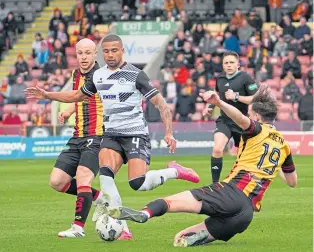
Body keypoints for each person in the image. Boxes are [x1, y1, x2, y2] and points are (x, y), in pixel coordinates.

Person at [24, 36, 200, 235]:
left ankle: (174, 171)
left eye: (114, 50)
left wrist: (169, 132)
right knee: (106, 180)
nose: (110, 55)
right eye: (106, 51)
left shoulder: (136, 75)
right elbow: (77, 96)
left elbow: (161, 104)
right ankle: (122, 227)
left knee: (138, 183)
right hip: (110, 135)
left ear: (122, 50)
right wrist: (48, 95)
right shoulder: (98, 76)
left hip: (134, 134)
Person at [108, 86, 297, 247]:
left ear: (256, 115)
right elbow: (292, 182)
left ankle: (144, 213)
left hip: (231, 193)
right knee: (181, 238)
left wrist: (220, 104)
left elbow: (240, 119)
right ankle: (199, 236)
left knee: (170, 202)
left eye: (250, 114)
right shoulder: (284, 146)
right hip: (245, 214)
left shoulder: (257, 129)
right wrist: (274, 165)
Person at [26, 39, 126, 239]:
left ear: (95, 53)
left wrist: (48, 94)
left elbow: (78, 96)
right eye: (80, 53)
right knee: (57, 181)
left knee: (82, 177)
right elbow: (81, 97)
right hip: (77, 135)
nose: (83, 57)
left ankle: (78, 227)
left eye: (87, 53)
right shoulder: (75, 74)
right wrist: (70, 111)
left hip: (96, 136)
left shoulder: (100, 75)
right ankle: (99, 199)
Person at [202, 51, 258, 183]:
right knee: (217, 149)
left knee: (244, 157)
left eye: (232, 62)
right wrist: (209, 107)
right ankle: (214, 185)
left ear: (238, 64)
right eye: (226, 63)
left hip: (242, 122)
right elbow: (217, 97)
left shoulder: (246, 78)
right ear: (222, 65)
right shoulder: (220, 79)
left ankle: (243, 184)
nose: (229, 65)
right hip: (225, 121)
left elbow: (256, 98)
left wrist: (236, 96)